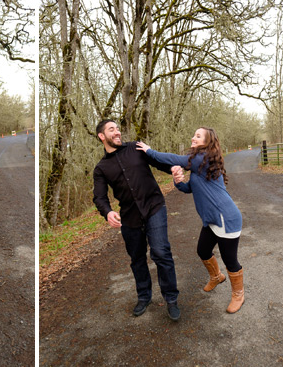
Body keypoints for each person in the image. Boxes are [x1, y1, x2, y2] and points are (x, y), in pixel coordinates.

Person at [136, 127, 245, 313]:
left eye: (198, 136)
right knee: (202, 250)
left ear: (208, 142)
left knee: (230, 260)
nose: (193, 138)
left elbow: (174, 159)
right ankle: (216, 276)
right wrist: (177, 182)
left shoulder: (202, 158)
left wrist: (149, 151)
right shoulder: (200, 164)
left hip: (226, 218)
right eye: (194, 135)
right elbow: (189, 189)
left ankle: (238, 294)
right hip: (212, 220)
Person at [92, 119, 181, 321]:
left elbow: (159, 162)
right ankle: (144, 297)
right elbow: (99, 196)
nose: (117, 132)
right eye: (111, 129)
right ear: (101, 136)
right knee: (137, 259)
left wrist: (174, 169)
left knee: (160, 251)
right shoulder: (101, 168)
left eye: (117, 128)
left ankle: (171, 299)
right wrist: (107, 212)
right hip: (130, 217)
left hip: (154, 207)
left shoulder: (136, 147)